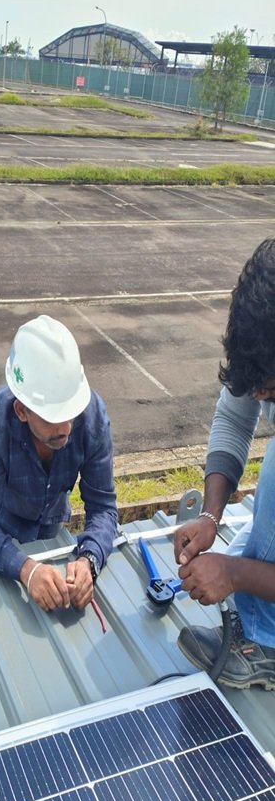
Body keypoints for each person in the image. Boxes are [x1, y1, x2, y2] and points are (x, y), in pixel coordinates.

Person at [175, 238, 275, 689]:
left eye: (268, 391)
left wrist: (234, 574)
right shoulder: (264, 343)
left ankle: (266, 644)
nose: (259, 397)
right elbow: (234, 416)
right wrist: (211, 514)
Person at [0, 314, 118, 612]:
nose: (65, 428)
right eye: (52, 417)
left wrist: (89, 559)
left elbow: (103, 507)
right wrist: (27, 569)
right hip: (5, 524)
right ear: (22, 411)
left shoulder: (91, 418)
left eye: (71, 412)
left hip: (51, 522)